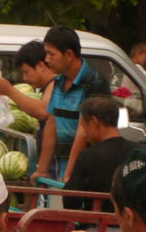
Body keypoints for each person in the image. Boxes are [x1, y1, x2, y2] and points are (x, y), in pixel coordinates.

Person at [33, 25, 109, 184]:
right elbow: (52, 124)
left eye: (51, 54)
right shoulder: (58, 82)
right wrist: (42, 170)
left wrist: (69, 176)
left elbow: (85, 131)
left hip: (86, 175)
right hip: (63, 172)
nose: (46, 60)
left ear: (68, 55)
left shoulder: (95, 83)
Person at [62, 97, 137, 211]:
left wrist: (68, 180)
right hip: (133, 226)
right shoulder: (140, 152)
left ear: (94, 122)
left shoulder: (88, 156)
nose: (85, 135)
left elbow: (70, 201)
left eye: (84, 126)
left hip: (96, 227)